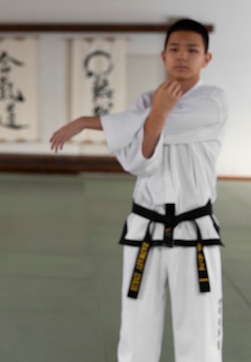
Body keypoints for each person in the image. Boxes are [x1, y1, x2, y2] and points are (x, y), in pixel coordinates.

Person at [50, 18, 227, 362]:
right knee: (136, 327)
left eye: (192, 50)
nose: (182, 56)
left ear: (206, 58)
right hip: (145, 227)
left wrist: (92, 121)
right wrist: (154, 115)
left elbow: (165, 125)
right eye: (175, 49)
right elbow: (137, 161)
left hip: (194, 231)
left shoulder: (212, 101)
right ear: (163, 55)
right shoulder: (147, 100)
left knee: (200, 330)